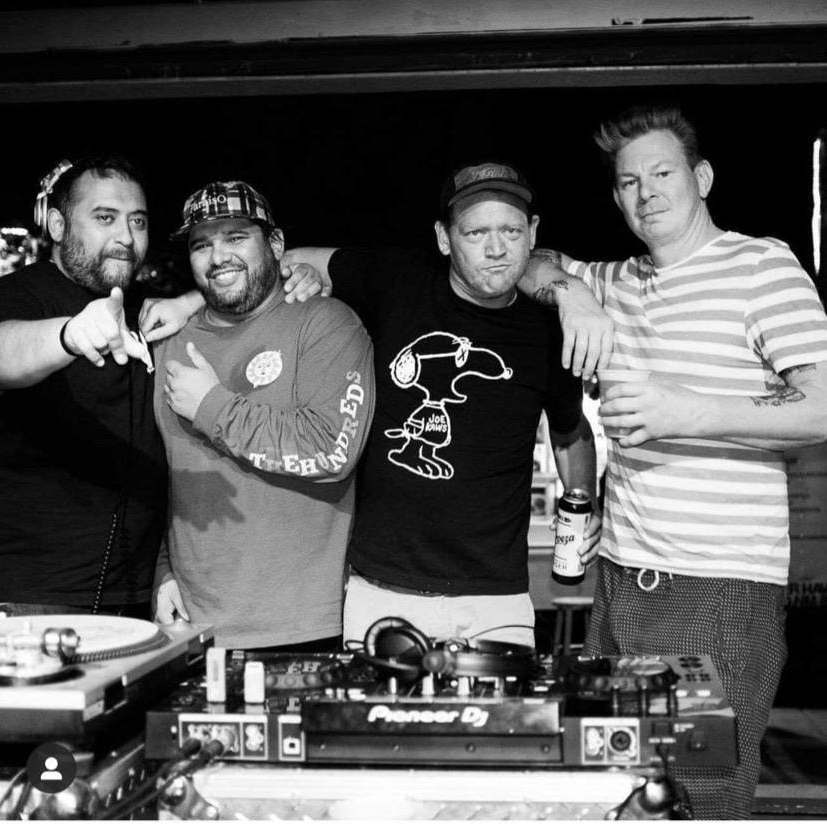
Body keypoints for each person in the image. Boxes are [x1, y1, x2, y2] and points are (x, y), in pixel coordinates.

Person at [143, 162, 603, 650]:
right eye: (475, 232)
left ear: (532, 232)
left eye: (510, 230)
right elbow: (274, 263)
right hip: (381, 591)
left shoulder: (550, 330)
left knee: (508, 705)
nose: (495, 248)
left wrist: (583, 499)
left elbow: (569, 431)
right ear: (444, 238)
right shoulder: (396, 281)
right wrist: (189, 302)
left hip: (496, 596)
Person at [523, 104, 827, 819]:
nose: (646, 192)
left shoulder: (761, 265)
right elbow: (532, 261)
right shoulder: (615, 279)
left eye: (662, 173)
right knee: (618, 792)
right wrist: (572, 293)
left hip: (717, 587)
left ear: (703, 178)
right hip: (620, 581)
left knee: (699, 800)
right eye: (629, 182)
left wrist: (687, 411)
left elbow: (822, 407)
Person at [151, 181, 375, 651]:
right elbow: (168, 479)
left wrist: (211, 405)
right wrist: (163, 569)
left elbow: (331, 451)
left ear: (275, 244)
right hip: (190, 624)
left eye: (235, 237)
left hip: (304, 627)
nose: (218, 257)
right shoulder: (170, 341)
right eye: (201, 245)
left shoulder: (326, 323)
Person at [0, 155, 167, 618]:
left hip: (139, 596)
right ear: (57, 225)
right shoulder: (18, 294)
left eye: (137, 221)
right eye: (105, 218)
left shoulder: (146, 308)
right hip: (34, 599)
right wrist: (69, 335)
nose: (126, 237)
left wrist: (192, 301)